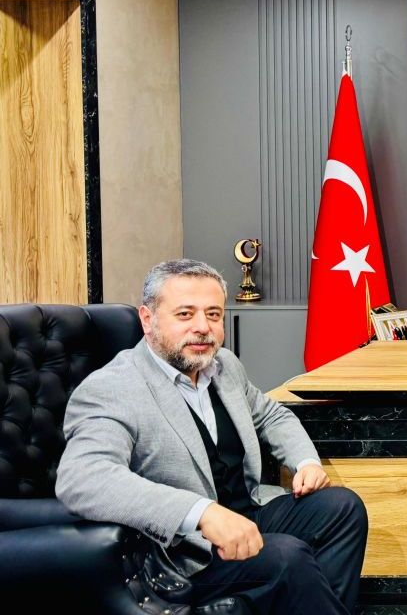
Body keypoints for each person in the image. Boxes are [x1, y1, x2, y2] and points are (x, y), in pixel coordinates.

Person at [57, 259, 368, 614]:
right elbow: (84, 479)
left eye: (214, 314)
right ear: (147, 319)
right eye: (185, 314)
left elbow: (271, 414)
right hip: (181, 553)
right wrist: (201, 512)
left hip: (248, 512)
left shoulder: (224, 366)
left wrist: (306, 462)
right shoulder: (113, 387)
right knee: (286, 556)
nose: (203, 328)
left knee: (342, 508)